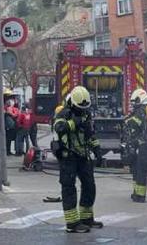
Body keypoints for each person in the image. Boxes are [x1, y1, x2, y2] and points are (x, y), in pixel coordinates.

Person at [52, 86, 104, 233]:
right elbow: (58, 127)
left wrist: (97, 151)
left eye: (85, 108)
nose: (83, 110)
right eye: (80, 107)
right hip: (68, 156)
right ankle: (72, 224)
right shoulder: (63, 112)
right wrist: (73, 123)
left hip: (82, 155)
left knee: (89, 186)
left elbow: (90, 134)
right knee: (69, 188)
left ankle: (86, 219)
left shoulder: (85, 113)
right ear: (74, 103)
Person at [3, 90, 20, 156]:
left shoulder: (9, 109)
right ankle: (8, 151)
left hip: (9, 126)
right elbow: (13, 115)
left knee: (8, 139)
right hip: (9, 126)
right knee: (8, 139)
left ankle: (8, 151)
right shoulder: (8, 110)